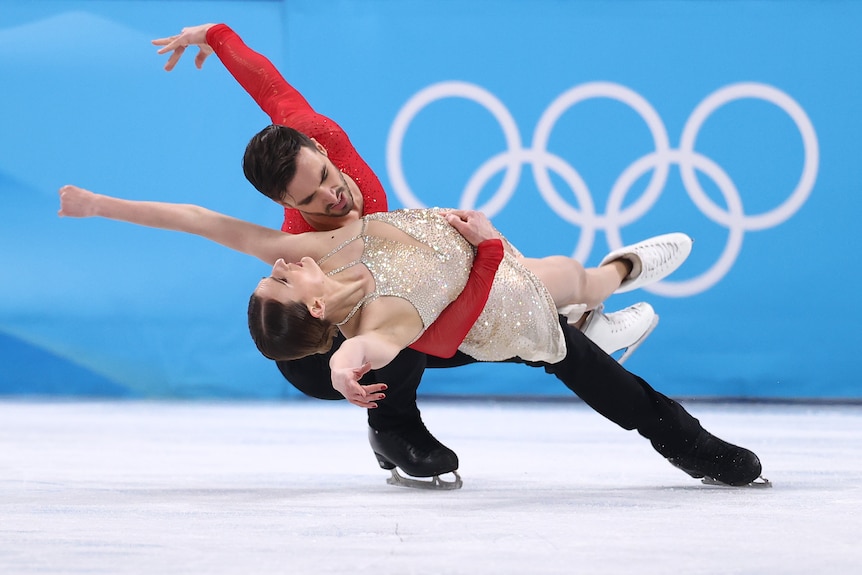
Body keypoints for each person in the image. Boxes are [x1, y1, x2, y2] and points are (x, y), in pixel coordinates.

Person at [149, 23, 666, 485]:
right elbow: (200, 222)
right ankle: (396, 429)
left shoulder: (319, 137)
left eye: (328, 179)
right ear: (286, 203)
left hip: (394, 307)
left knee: (519, 286)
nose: (333, 198)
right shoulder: (304, 252)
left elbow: (270, 87)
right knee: (403, 331)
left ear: (323, 153)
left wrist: (217, 36)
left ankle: (599, 293)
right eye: (310, 201)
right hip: (314, 351)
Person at [58, 184, 769, 490]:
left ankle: (623, 293)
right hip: (377, 343)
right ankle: (395, 431)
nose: (275, 263)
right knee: (432, 354)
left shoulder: (321, 239)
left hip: (460, 311)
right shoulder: (365, 329)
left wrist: (99, 206)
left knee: (558, 303)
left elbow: (196, 219)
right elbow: (359, 353)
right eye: (277, 279)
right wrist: (344, 366)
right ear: (310, 304)